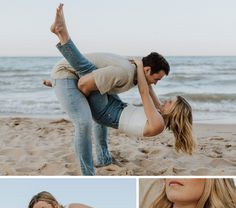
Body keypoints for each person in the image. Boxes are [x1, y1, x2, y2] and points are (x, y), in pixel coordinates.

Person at [50, 5, 194, 163]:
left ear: (175, 111)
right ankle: (60, 80)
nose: (165, 101)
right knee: (101, 75)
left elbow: (144, 93)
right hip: (116, 107)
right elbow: (150, 91)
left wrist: (139, 67)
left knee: (90, 70)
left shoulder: (158, 123)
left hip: (109, 113)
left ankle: (62, 34)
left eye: (170, 102)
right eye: (156, 78)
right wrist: (143, 70)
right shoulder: (159, 114)